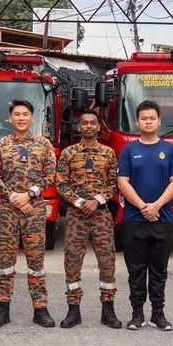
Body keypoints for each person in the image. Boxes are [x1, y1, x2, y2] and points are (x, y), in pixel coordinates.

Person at [0, 99, 57, 328]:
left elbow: (51, 175)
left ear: (32, 118)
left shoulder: (43, 144)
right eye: (16, 114)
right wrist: (14, 197)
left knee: (36, 260)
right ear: (10, 118)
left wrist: (30, 194)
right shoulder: (1, 145)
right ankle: (2, 309)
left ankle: (40, 309)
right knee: (5, 260)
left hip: (34, 210)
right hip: (7, 210)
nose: (21, 118)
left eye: (25, 114)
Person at [117, 99, 173, 332]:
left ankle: (158, 314)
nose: (148, 121)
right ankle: (136, 314)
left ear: (159, 120)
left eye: (152, 118)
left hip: (162, 220)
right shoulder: (129, 149)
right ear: (137, 121)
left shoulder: (169, 149)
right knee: (136, 270)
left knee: (158, 270)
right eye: (144, 118)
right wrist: (144, 206)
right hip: (134, 220)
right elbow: (122, 181)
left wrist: (156, 206)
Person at [56, 111, 122, 329]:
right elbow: (61, 183)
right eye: (84, 123)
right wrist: (77, 202)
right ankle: (73, 310)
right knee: (72, 261)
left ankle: (108, 309)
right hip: (76, 215)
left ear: (98, 127)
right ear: (78, 127)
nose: (89, 126)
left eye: (93, 123)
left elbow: (114, 183)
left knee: (107, 261)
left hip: (101, 213)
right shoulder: (68, 153)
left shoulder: (109, 153)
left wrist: (97, 200)